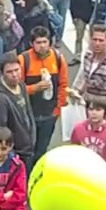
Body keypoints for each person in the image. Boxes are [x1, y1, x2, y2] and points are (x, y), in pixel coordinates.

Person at [19, 27, 69, 165]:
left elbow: (63, 85)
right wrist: (34, 88)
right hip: (29, 114)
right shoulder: (23, 60)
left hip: (49, 114)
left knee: (42, 150)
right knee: (27, 150)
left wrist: (58, 110)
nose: (42, 46)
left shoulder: (58, 58)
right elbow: (17, 89)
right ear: (31, 44)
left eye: (45, 42)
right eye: (38, 42)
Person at [0, 53, 37, 168]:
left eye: (17, 70)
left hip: (28, 148)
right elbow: (0, 131)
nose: (14, 75)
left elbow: (28, 114)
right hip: (15, 155)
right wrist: (10, 154)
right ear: (2, 74)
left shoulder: (22, 86)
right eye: (9, 72)